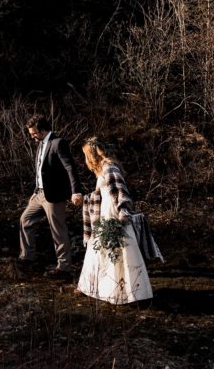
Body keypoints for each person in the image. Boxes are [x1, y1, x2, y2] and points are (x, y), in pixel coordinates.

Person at [77, 137, 162, 304]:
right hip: (104, 215)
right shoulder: (102, 169)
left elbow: (120, 191)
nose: (85, 159)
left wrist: (122, 212)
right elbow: (102, 194)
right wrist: (86, 199)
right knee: (101, 252)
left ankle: (126, 291)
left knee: (119, 253)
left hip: (113, 215)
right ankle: (99, 288)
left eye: (86, 155)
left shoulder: (109, 168)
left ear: (92, 155)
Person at [19, 115, 83, 277]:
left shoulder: (58, 143)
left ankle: (64, 267)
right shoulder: (40, 144)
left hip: (54, 196)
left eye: (33, 133)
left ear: (42, 129)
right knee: (25, 220)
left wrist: (76, 191)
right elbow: (41, 171)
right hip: (39, 194)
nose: (32, 136)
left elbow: (70, 168)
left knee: (58, 230)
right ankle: (27, 257)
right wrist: (35, 190)